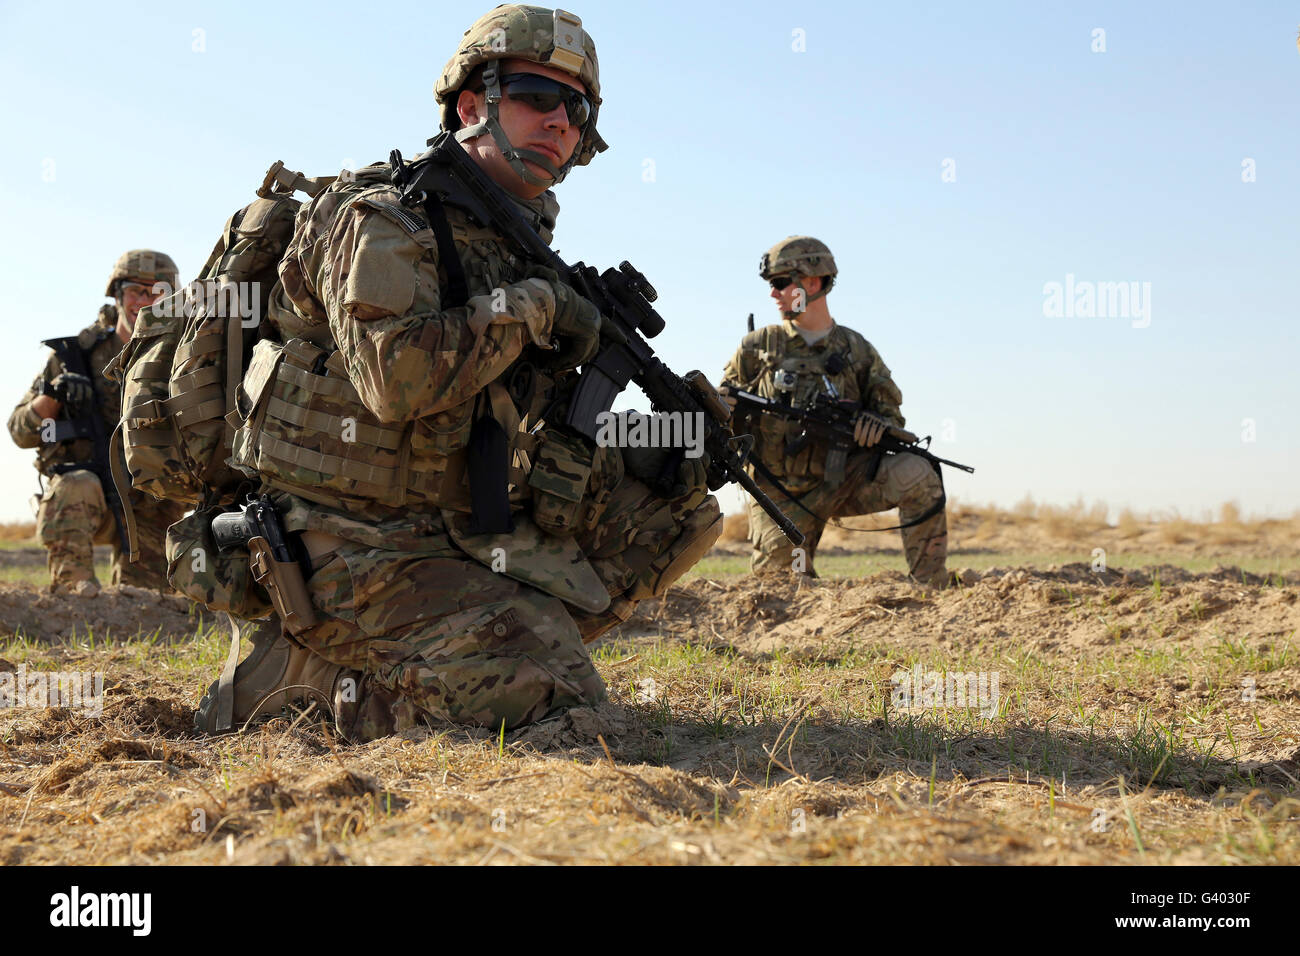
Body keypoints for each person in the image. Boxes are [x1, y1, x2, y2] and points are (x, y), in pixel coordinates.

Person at [196, 4, 722, 739]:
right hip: (345, 535)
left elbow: (518, 426)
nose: (562, 120)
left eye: (579, 107)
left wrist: (666, 439)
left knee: (676, 510)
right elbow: (395, 380)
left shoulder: (514, 245)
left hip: (453, 525)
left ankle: (472, 646)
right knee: (555, 706)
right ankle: (311, 676)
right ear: (473, 105)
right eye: (539, 96)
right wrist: (534, 307)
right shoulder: (386, 219)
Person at [720, 236, 949, 586]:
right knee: (782, 588)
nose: (773, 294)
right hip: (780, 494)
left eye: (781, 283)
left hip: (843, 479)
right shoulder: (757, 349)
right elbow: (722, 417)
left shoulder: (856, 350)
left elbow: (892, 418)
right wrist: (723, 409)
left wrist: (877, 426)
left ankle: (931, 589)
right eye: (772, 286)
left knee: (919, 473)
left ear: (813, 281)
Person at [8, 250, 186, 594]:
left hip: (152, 503)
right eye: (137, 290)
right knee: (75, 483)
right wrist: (55, 397)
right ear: (118, 294)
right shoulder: (77, 357)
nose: (146, 301)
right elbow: (20, 431)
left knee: (150, 605)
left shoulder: (182, 356)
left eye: (158, 291)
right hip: (89, 497)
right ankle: (74, 594)